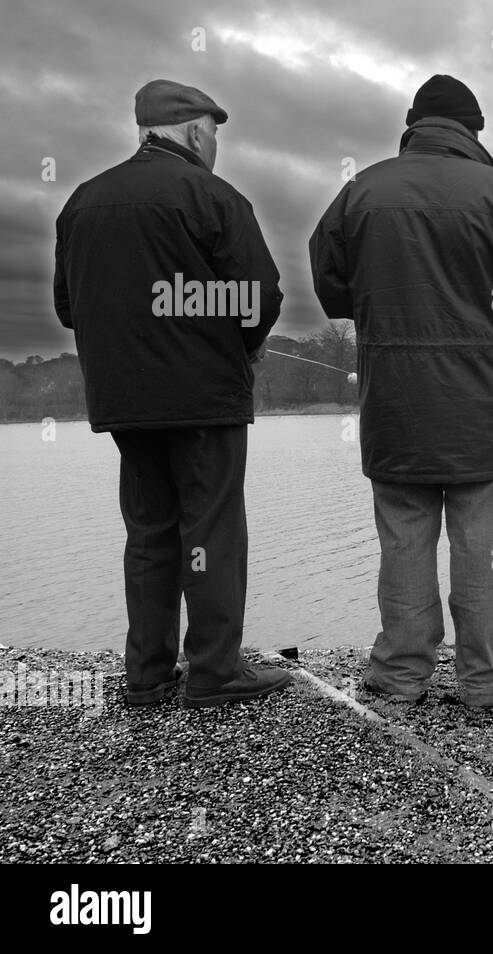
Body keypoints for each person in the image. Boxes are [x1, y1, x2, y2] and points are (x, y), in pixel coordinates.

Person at [309, 75, 493, 707]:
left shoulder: (360, 193)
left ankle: (399, 675)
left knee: (403, 539)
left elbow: (332, 291)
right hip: (484, 404)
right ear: (474, 130)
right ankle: (487, 676)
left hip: (395, 402)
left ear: (412, 124)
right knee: (484, 545)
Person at [53, 79, 290, 707]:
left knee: (149, 532)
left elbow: (67, 307)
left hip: (126, 401)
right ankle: (215, 673)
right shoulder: (211, 195)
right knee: (210, 529)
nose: (215, 142)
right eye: (213, 130)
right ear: (191, 129)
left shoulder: (82, 202)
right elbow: (259, 295)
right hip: (204, 398)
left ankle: (148, 675)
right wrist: (241, 339)